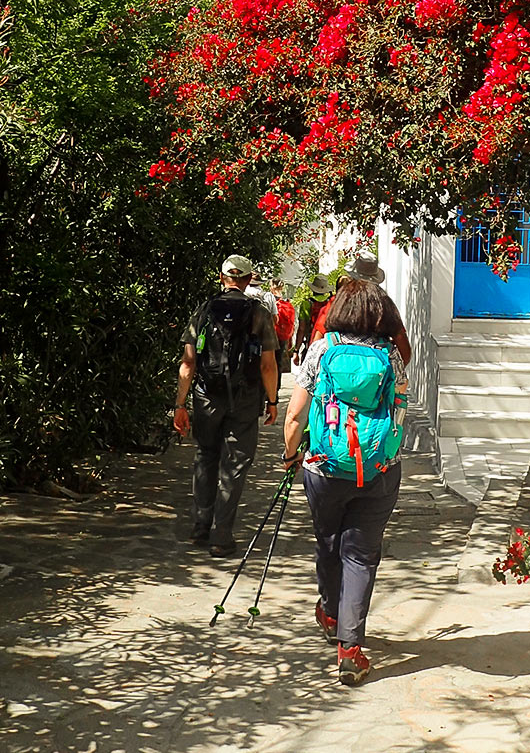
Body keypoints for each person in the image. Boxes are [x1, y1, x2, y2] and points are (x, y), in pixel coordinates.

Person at [282, 280, 408, 686]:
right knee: (362, 554)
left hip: (324, 467)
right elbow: (401, 405)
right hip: (379, 469)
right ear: (381, 312)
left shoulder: (323, 347)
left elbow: (295, 414)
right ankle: (350, 649)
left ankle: (330, 611)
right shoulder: (389, 352)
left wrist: (290, 455)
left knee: (328, 541)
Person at [174, 254, 280, 557]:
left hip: (207, 394)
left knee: (206, 455)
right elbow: (268, 364)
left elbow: (188, 362)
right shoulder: (259, 313)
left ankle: (200, 527)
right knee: (234, 463)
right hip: (245, 398)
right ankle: (222, 536)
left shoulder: (204, 310)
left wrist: (180, 404)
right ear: (247, 281)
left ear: (222, 278)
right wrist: (272, 401)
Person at [342, 252, 413, 366]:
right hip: (376, 373)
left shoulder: (342, 301)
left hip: (342, 371)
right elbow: (404, 350)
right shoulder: (384, 304)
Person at [293, 275, 332, 365]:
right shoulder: (330, 303)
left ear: (312, 289)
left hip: (311, 343)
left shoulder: (306, 303)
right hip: (328, 343)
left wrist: (296, 350)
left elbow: (302, 329)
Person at [268, 279, 296, 375]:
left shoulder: (269, 299)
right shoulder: (287, 302)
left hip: (272, 334)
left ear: (271, 287)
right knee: (279, 361)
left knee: (270, 360)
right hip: (283, 335)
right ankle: (278, 385)